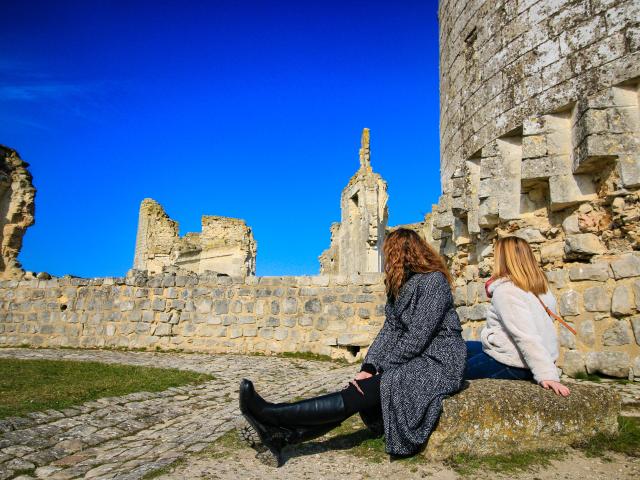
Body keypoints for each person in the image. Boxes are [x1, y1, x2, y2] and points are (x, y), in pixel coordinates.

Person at [238, 228, 466, 466]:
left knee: (365, 391)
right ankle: (281, 435)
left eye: (391, 254)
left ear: (403, 254)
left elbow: (418, 336)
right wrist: (368, 366)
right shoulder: (401, 286)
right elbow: (390, 331)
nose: (388, 261)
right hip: (416, 360)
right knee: (358, 391)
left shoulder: (433, 282)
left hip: (439, 362)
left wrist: (382, 368)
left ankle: (271, 415)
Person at [464, 236, 571, 397]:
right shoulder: (541, 289)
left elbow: (526, 336)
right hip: (523, 356)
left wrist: (547, 374)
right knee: (458, 347)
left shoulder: (507, 291)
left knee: (446, 372)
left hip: (514, 364)